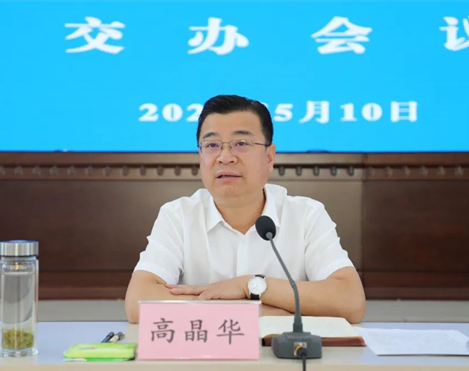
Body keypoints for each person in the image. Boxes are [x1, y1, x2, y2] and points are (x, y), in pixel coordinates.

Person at [125, 95, 365, 323]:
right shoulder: (178, 215)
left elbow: (350, 301)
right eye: (212, 145)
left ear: (269, 157)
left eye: (241, 143)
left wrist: (249, 285)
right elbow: (138, 302)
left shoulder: (306, 215)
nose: (225, 157)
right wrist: (256, 311)